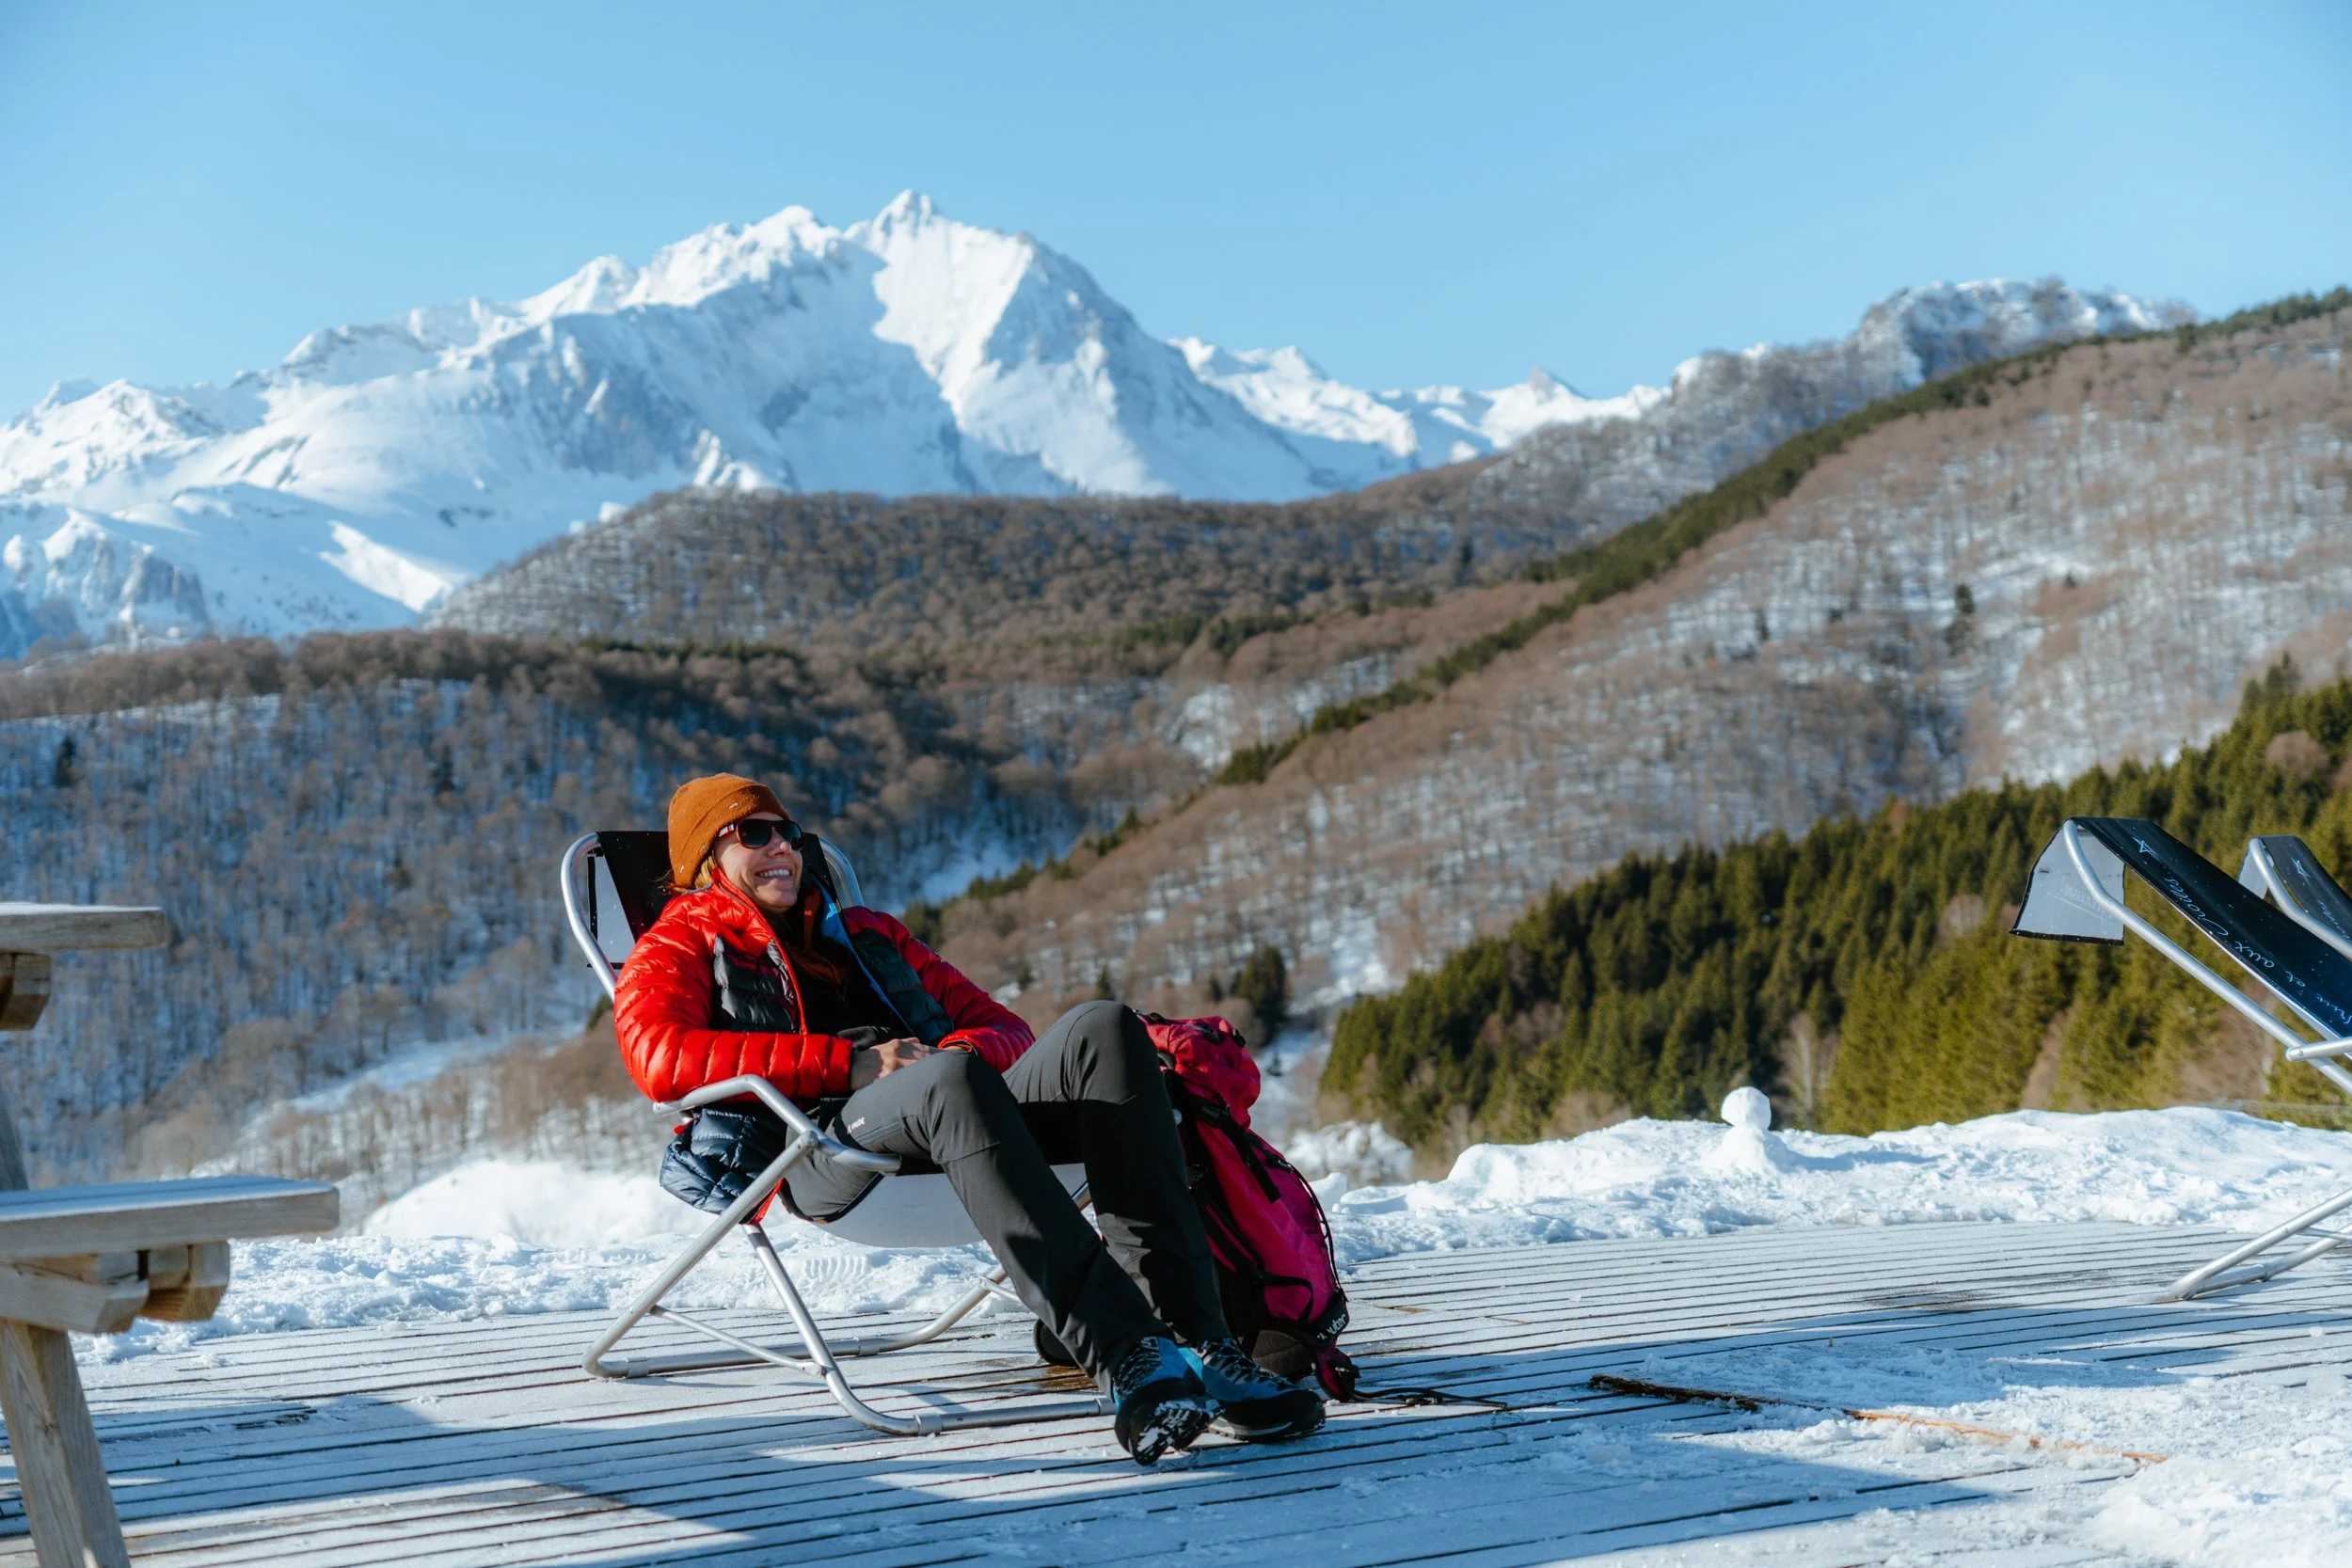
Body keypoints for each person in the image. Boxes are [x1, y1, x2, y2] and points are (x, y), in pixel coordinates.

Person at [613, 773, 1323, 1463]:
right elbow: (658, 1055)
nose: (782, 848)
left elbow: (1003, 1027)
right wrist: (848, 1063)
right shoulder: (682, 939)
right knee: (948, 1077)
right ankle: (1127, 1358)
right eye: (753, 834)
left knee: (1106, 1028)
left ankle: (1200, 1342)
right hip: (825, 1146)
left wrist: (953, 1051)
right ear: (705, 862)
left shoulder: (864, 930)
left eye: (789, 832)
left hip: (958, 1116)